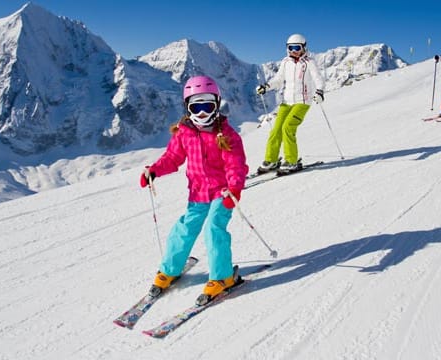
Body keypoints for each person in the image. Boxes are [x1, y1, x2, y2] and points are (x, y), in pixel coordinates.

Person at [139, 75, 249, 305]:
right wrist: (155, 170)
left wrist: (235, 188)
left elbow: (235, 165)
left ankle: (223, 278)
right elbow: (173, 157)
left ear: (217, 104)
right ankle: (169, 270)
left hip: (223, 193)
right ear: (187, 107)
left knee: (213, 228)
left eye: (207, 106)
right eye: (195, 107)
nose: (201, 113)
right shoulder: (184, 132)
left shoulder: (227, 135)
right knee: (184, 228)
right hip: (198, 192)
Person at [255, 33, 325, 174]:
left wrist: (320, 92)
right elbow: (278, 79)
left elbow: (318, 79)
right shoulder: (286, 62)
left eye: (297, 47)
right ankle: (271, 160)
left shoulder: (309, 62)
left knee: (288, 127)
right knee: (276, 130)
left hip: (302, 102)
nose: (294, 51)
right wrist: (266, 86)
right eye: (291, 47)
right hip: (286, 102)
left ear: (304, 48)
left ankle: (291, 161)